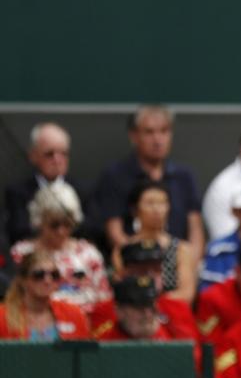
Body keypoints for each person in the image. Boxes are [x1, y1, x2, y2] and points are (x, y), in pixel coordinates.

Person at [95, 105, 204, 253]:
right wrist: (141, 260)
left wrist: (186, 262)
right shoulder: (115, 176)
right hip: (134, 263)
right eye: (149, 132)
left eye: (164, 131)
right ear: (134, 136)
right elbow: (115, 233)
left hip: (179, 263)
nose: (157, 140)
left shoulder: (184, 177)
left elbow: (196, 232)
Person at [10, 182, 112, 309]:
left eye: (67, 224)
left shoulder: (88, 253)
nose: (61, 231)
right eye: (54, 225)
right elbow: (15, 296)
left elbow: (104, 297)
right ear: (39, 221)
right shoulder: (23, 253)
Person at [4, 122, 97, 245]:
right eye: (50, 154)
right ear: (33, 155)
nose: (57, 160)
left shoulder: (83, 190)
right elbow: (17, 230)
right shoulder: (17, 192)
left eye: (63, 153)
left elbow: (93, 229)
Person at [113, 180, 198, 303]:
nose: (157, 209)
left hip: (171, 313)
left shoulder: (181, 248)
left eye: (162, 203)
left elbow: (186, 293)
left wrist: (152, 303)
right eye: (150, 203)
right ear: (135, 209)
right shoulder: (123, 250)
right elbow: (121, 289)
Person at [0, 250, 90, 340]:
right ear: (23, 280)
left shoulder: (74, 314)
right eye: (39, 275)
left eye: (54, 275)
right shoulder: (2, 316)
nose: (47, 280)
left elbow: (84, 352)